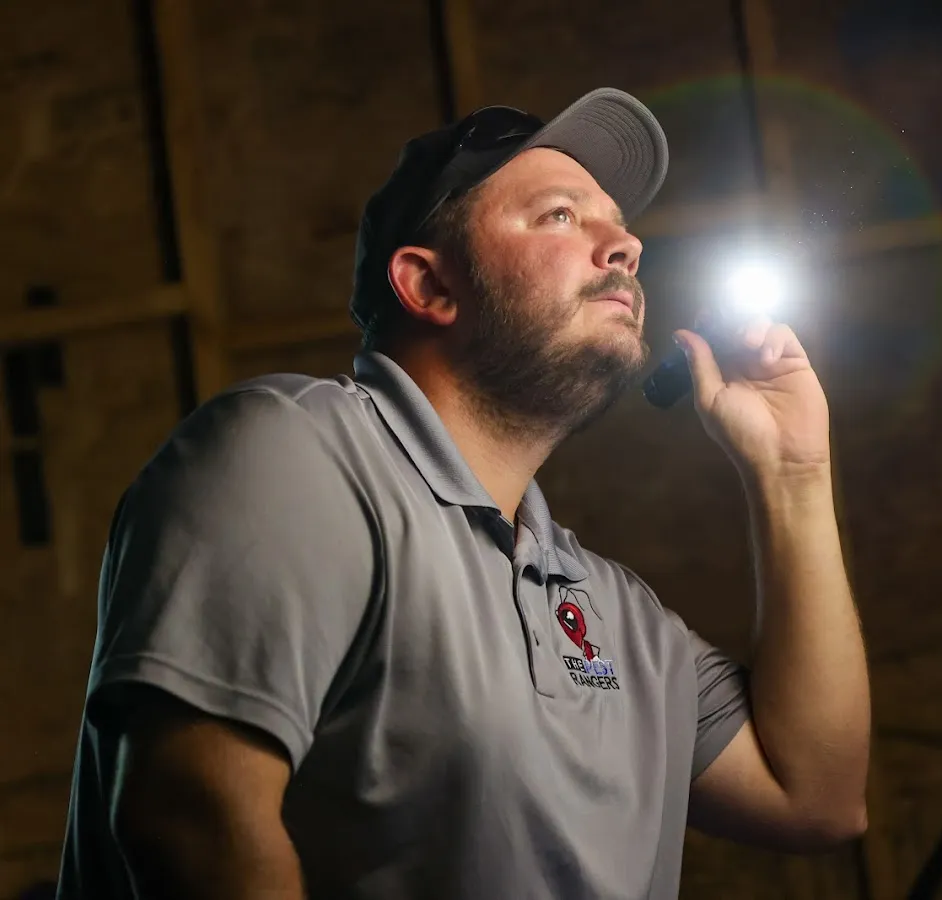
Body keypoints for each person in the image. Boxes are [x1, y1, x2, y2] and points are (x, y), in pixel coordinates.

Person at [55, 87, 870, 899]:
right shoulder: (298, 452)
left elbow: (816, 797)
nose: (624, 245)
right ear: (428, 284)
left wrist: (793, 472)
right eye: (560, 215)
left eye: (620, 225)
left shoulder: (619, 617)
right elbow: (191, 819)